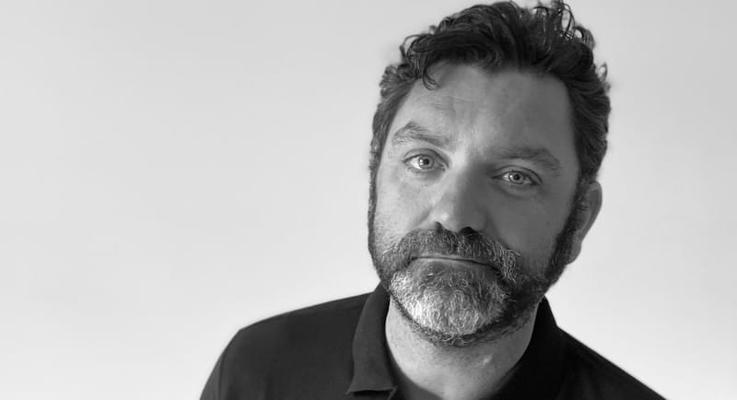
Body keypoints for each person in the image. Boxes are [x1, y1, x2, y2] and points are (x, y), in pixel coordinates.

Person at [200, 1, 664, 399]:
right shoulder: (258, 372)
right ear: (375, 178)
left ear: (579, 218)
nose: (454, 214)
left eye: (516, 176)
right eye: (424, 161)